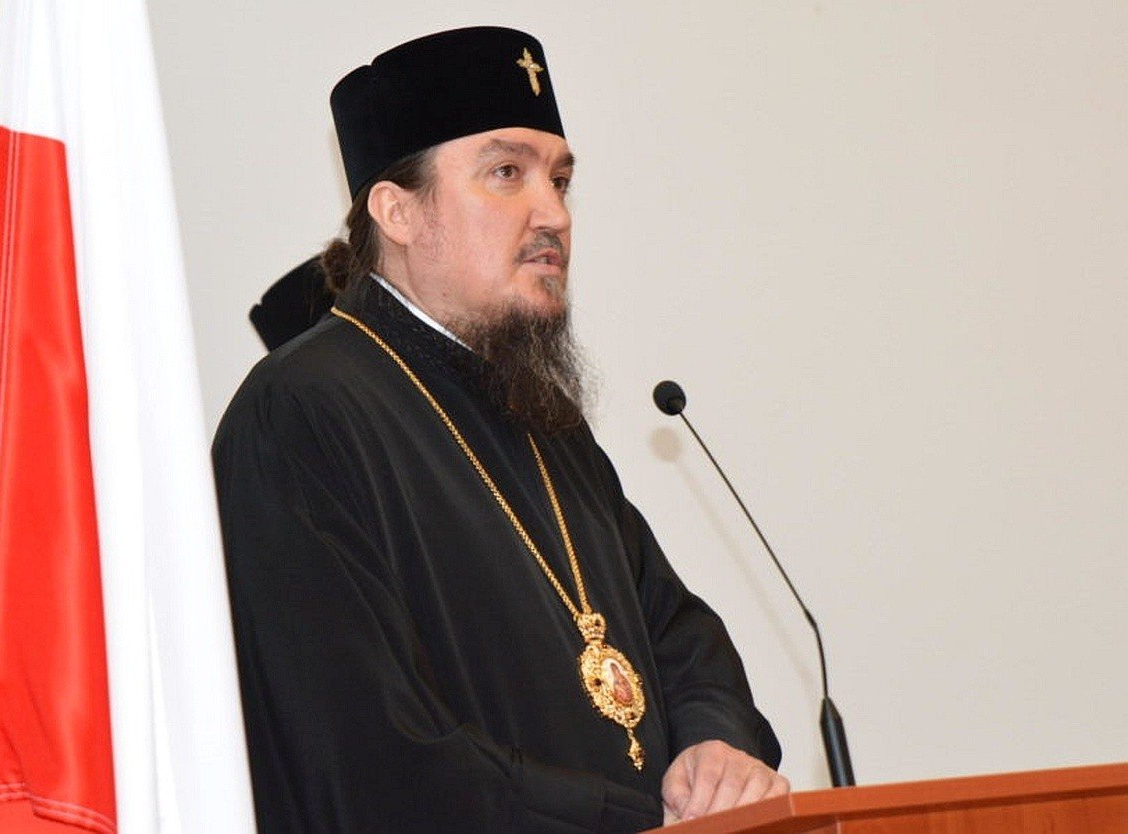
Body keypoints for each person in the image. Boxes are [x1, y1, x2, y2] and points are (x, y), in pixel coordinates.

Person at [213, 27, 788, 833]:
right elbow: (369, 752)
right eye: (507, 173)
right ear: (397, 211)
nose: (554, 213)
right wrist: (630, 818)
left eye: (560, 179)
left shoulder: (543, 415)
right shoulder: (301, 413)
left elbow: (678, 634)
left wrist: (715, 746)